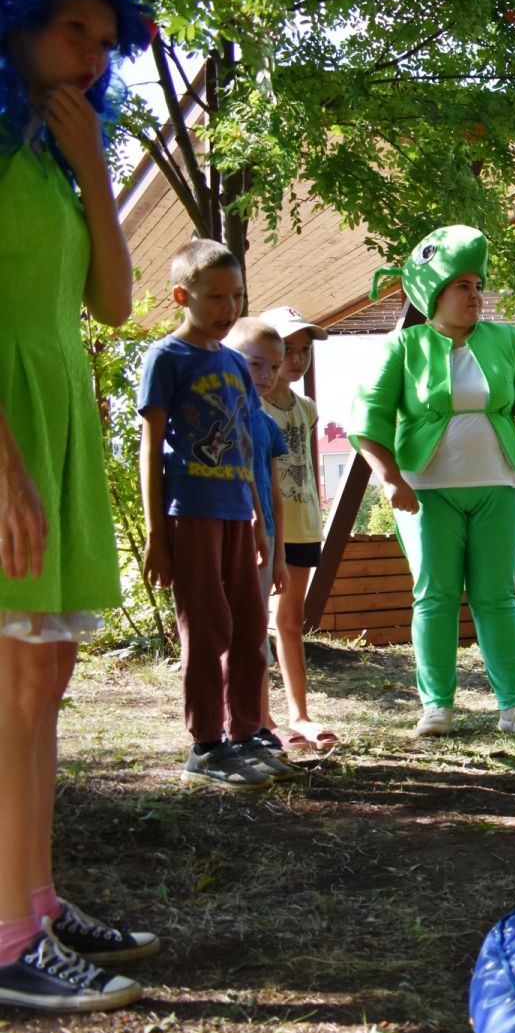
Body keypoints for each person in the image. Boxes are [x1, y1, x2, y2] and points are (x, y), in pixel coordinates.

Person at [0, 0, 158, 1013]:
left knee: (43, 683)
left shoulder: (57, 160)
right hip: (6, 425)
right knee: (12, 683)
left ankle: (38, 900)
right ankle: (8, 939)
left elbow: (112, 306)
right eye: (74, 32)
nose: (93, 57)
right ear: (15, 23)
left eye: (107, 40)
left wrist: (97, 174)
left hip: (55, 408)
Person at [347, 225, 515, 736]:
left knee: (497, 596)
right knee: (435, 595)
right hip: (426, 493)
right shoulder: (402, 347)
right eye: (462, 285)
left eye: (477, 284)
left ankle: (514, 707)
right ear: (434, 292)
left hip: (500, 487)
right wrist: (390, 479)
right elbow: (369, 419)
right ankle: (437, 707)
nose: (476, 295)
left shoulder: (509, 340)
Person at [139, 240, 283, 790]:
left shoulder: (233, 364)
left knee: (249, 625)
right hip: (189, 513)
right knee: (207, 628)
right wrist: (157, 533)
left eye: (238, 296)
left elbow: (246, 442)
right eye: (216, 296)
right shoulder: (167, 358)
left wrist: (260, 519)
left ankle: (248, 734)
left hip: (235, 515)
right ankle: (206, 745)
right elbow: (150, 446)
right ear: (183, 296)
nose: (229, 308)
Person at [258, 304, 339, 751]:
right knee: (257, 622)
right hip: (267, 526)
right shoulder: (252, 401)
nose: (296, 359)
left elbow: (305, 464)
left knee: (290, 620)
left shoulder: (306, 408)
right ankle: (262, 717)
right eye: (288, 348)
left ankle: (300, 713)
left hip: (304, 522)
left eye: (303, 350)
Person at [223, 319, 297, 772]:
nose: (266, 375)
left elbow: (274, 494)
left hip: (264, 544)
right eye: (255, 364)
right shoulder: (219, 414)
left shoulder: (267, 425)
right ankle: (233, 727)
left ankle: (254, 724)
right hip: (228, 535)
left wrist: (281, 553)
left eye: (273, 366)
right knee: (229, 633)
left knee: (254, 637)